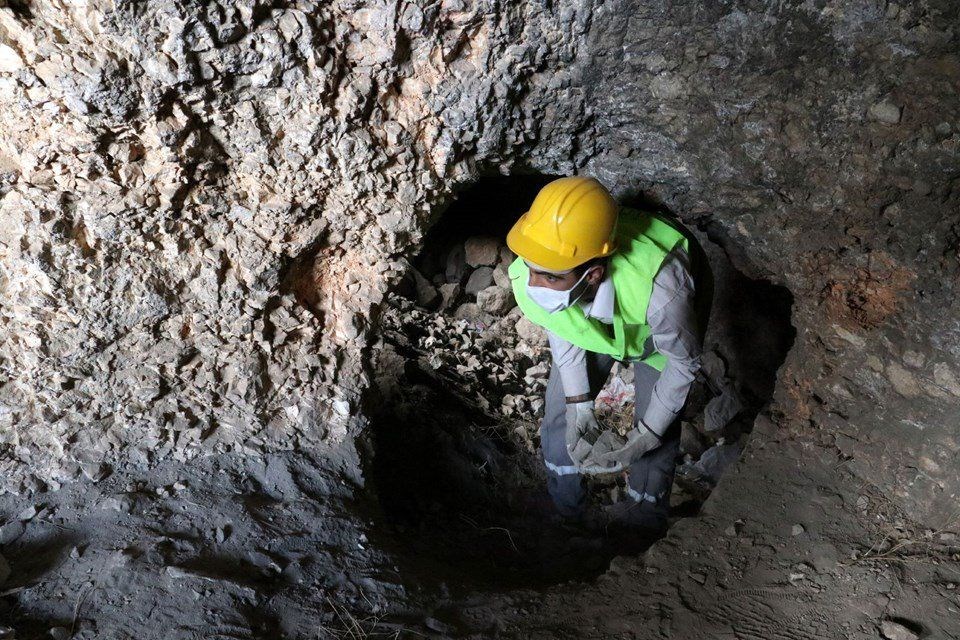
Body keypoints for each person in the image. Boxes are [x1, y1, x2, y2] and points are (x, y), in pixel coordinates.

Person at [506, 176, 710, 536]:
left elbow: (682, 363)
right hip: (600, 310)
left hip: (653, 331)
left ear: (593, 274)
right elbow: (564, 330)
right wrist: (579, 403)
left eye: (550, 277)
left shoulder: (663, 290)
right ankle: (565, 513)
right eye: (532, 267)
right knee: (559, 408)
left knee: (658, 430)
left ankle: (640, 527)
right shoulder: (532, 272)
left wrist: (646, 434)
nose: (533, 284)